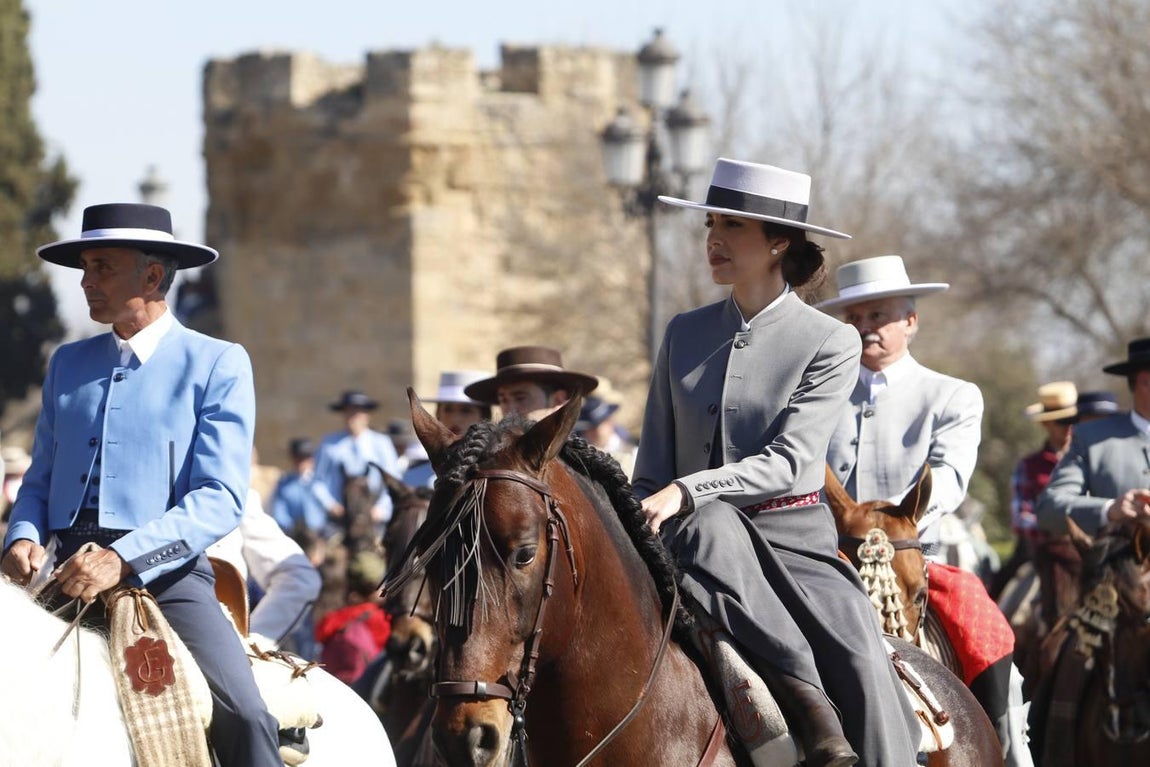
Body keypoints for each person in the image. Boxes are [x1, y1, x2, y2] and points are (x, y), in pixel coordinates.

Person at [633, 158, 918, 767]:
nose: (713, 238)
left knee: (862, 660)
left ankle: (822, 713)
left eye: (732, 225)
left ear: (778, 243)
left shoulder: (831, 340)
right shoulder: (682, 332)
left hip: (791, 547)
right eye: (710, 224)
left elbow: (789, 463)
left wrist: (689, 491)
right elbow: (651, 469)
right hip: (682, 540)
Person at [0, 203, 280, 766]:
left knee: (246, 714)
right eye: (84, 267)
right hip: (65, 573)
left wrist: (122, 559)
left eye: (101, 266)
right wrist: (22, 534)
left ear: (152, 276)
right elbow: (40, 478)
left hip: (168, 577)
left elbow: (220, 498)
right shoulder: (67, 363)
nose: (86, 282)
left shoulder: (217, 362)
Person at [818, 254, 1029, 767]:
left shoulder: (953, 395)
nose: (865, 327)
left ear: (910, 321)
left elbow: (950, 476)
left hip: (917, 557)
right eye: (855, 318)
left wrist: (892, 532)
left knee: (987, 632)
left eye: (878, 315)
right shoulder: (819, 398)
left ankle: (1009, 748)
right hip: (828, 560)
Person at [1037, 338, 1150, 535]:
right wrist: (1109, 510)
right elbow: (1049, 508)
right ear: (1135, 383)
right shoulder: (1091, 439)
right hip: (1121, 553)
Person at [210, 484, 323, 657]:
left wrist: (248, 647)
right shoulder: (228, 491)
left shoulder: (230, 492)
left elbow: (300, 579)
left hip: (212, 651)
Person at [990, 381, 1078, 600]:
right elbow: (1020, 517)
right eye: (1062, 421)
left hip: (1085, 550)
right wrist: (1056, 526)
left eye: (1073, 420)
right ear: (1047, 423)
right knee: (1001, 594)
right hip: (1039, 552)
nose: (1069, 427)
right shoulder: (1029, 466)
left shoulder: (1090, 460)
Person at [311, 390, 401, 536]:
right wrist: (331, 505)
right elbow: (317, 481)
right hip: (339, 520)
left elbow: (393, 480)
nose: (353, 417)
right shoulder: (329, 444)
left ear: (367, 414)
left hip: (373, 519)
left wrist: (381, 509)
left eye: (358, 412)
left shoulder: (381, 443)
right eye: (349, 411)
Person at [403, 370, 492, 488]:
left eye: (466, 411)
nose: (455, 419)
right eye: (448, 410)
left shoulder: (497, 475)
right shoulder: (413, 478)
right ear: (437, 415)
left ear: (484, 417)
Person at [463, 346, 598, 420]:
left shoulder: (585, 461)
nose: (510, 410)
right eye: (503, 400)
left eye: (520, 398)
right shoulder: (484, 460)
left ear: (558, 400)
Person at [576, 394, 638, 477]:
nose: (589, 434)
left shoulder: (634, 453)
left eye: (594, 428)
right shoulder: (584, 455)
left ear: (609, 422)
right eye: (586, 430)